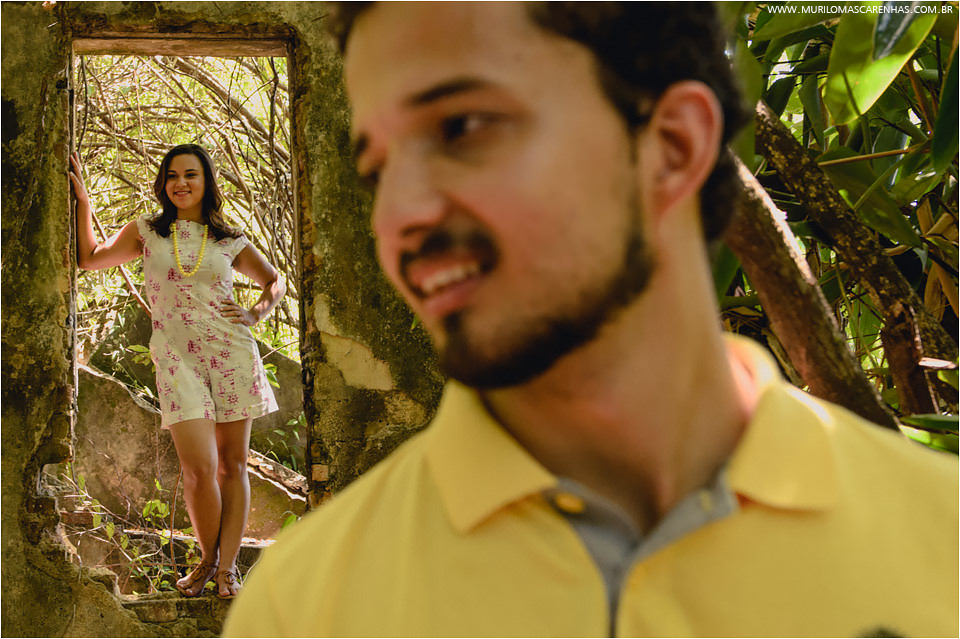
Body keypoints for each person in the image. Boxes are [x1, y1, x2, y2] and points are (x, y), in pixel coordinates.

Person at [224, 2, 958, 636]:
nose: (397, 217)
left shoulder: (939, 537)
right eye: (377, 170)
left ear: (673, 146)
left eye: (462, 127)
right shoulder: (306, 606)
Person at [69, 144, 286, 599]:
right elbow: (89, 257)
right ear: (163, 183)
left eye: (190, 174)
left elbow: (274, 280)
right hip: (176, 360)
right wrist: (84, 202)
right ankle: (208, 560)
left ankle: (227, 570)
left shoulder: (228, 239)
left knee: (233, 465)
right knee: (198, 468)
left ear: (206, 182)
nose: (180, 183)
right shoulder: (146, 230)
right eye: (172, 175)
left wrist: (255, 313)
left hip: (231, 354)